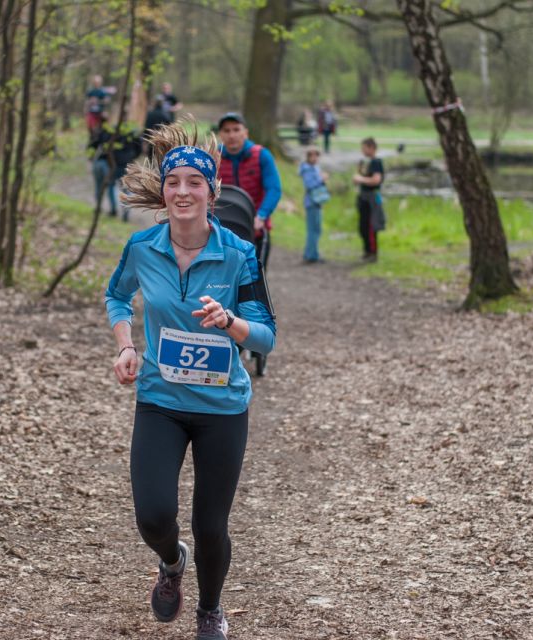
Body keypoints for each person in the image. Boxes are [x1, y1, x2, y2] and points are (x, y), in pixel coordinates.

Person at [107, 122, 276, 640]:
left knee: (211, 525)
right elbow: (117, 298)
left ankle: (209, 609)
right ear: (164, 190)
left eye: (194, 183)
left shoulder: (238, 253)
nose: (183, 191)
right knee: (153, 516)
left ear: (212, 191)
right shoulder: (141, 247)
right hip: (159, 399)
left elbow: (266, 337)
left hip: (221, 406)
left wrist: (230, 322)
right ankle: (170, 562)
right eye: (173, 181)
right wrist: (126, 345)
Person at [216, 112, 282, 269]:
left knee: (255, 278)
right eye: (226, 130)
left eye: (236, 129)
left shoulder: (261, 155)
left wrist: (262, 215)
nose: (232, 135)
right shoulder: (213, 157)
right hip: (222, 230)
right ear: (220, 134)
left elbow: (274, 188)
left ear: (245, 132)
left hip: (254, 227)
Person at [89, 118, 141, 218]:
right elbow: (139, 147)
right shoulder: (132, 132)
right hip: (126, 164)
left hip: (115, 164)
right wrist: (133, 156)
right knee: (125, 189)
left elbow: (104, 145)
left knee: (111, 187)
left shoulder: (113, 131)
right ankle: (125, 213)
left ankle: (114, 210)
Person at [352, 137, 385, 261]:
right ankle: (366, 251)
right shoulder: (364, 162)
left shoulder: (376, 162)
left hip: (372, 197)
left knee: (372, 226)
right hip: (363, 197)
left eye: (364, 148)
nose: (362, 150)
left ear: (371, 148)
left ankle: (373, 252)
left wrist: (361, 179)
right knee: (363, 226)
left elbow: (376, 180)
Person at [299, 146, 328, 263]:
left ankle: (312, 253)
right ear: (308, 157)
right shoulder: (307, 170)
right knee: (313, 230)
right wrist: (322, 179)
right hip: (311, 202)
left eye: (316, 155)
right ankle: (311, 255)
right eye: (312, 155)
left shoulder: (314, 168)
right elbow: (310, 185)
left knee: (317, 229)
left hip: (317, 202)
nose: (314, 158)